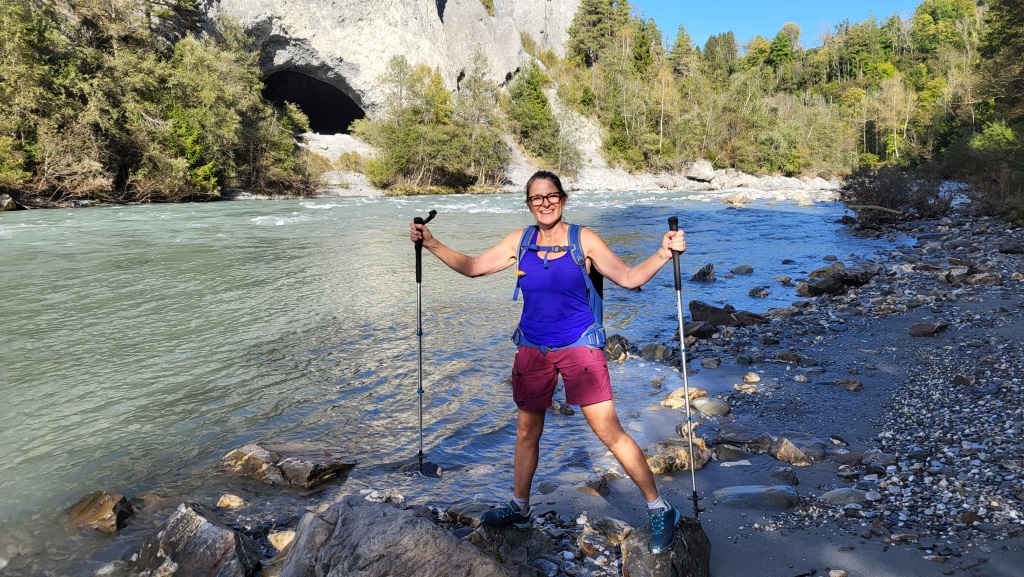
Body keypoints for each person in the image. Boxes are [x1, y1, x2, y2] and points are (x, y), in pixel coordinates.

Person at [409, 170, 688, 554]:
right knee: (527, 432)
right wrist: (432, 242)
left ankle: (660, 508)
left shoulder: (583, 239)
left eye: (551, 195)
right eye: (536, 198)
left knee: (609, 432)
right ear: (529, 204)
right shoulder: (520, 241)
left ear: (563, 199)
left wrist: (663, 253)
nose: (544, 203)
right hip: (532, 348)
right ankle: (520, 508)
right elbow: (473, 267)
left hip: (580, 347)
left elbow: (627, 277)